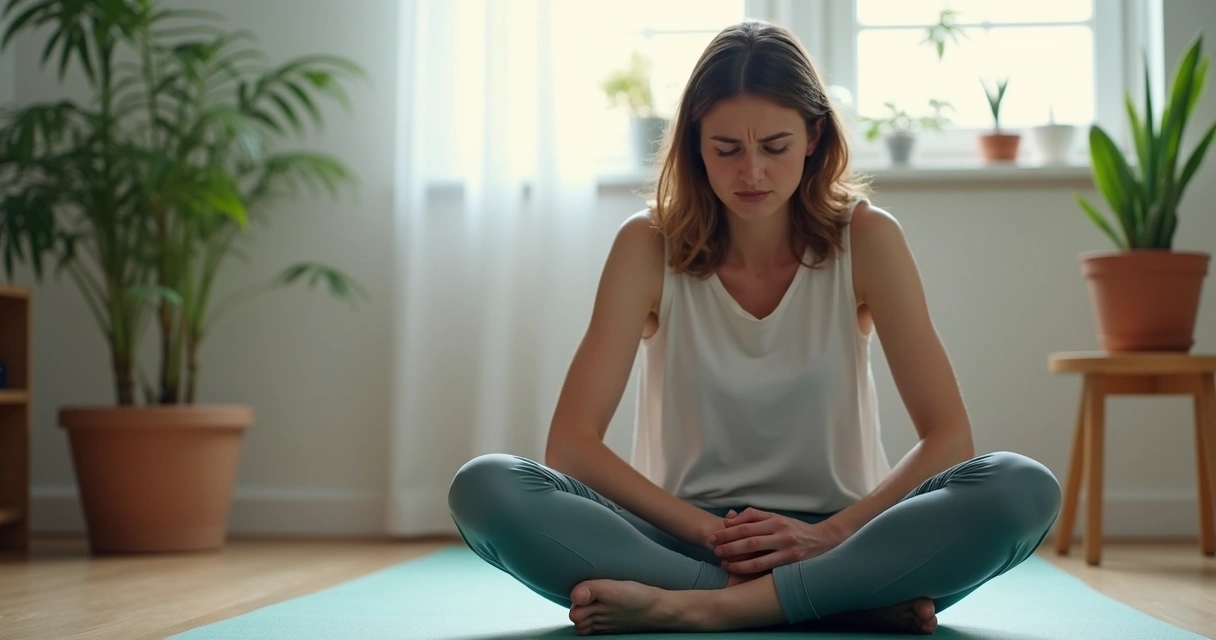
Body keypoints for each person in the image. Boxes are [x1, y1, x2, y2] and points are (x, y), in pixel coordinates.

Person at [447, 19, 1061, 636]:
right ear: (694, 143)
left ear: (814, 136)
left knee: (1022, 488)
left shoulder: (869, 239)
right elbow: (573, 445)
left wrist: (828, 537)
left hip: (841, 540)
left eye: (774, 146)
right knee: (486, 489)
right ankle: (830, 601)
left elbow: (948, 436)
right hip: (680, 540)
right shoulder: (646, 244)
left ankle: (701, 608)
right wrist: (711, 532)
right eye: (727, 149)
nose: (752, 174)